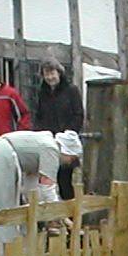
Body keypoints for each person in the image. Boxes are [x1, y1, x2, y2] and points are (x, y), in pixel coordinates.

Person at [0, 130, 82, 250]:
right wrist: (60, 214)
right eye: (72, 158)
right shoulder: (51, 149)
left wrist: (37, 208)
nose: (70, 162)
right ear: (66, 152)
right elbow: (47, 187)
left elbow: (31, 188)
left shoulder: (43, 145)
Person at [31, 58, 85, 199]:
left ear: (59, 73)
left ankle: (71, 216)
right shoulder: (42, 93)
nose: (50, 77)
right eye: (46, 74)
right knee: (46, 181)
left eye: (52, 74)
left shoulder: (71, 91)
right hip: (47, 142)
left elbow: (78, 114)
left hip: (65, 144)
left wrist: (68, 135)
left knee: (64, 181)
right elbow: (39, 115)